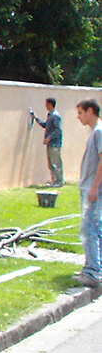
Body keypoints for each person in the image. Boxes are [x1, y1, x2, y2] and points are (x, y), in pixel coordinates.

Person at [73, 99, 102, 288]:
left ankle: (92, 272)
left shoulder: (99, 131)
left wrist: (94, 187)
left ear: (90, 111)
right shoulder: (96, 131)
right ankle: (94, 267)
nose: (78, 117)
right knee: (97, 229)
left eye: (81, 113)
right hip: (93, 188)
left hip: (94, 189)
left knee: (89, 229)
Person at [30, 98, 63, 187]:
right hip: (50, 144)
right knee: (51, 164)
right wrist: (36, 119)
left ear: (50, 104)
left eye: (46, 104)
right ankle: (54, 181)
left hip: (55, 144)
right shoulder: (50, 115)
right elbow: (46, 126)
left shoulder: (55, 116)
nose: (45, 106)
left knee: (56, 163)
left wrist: (49, 138)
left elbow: (58, 130)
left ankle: (59, 182)